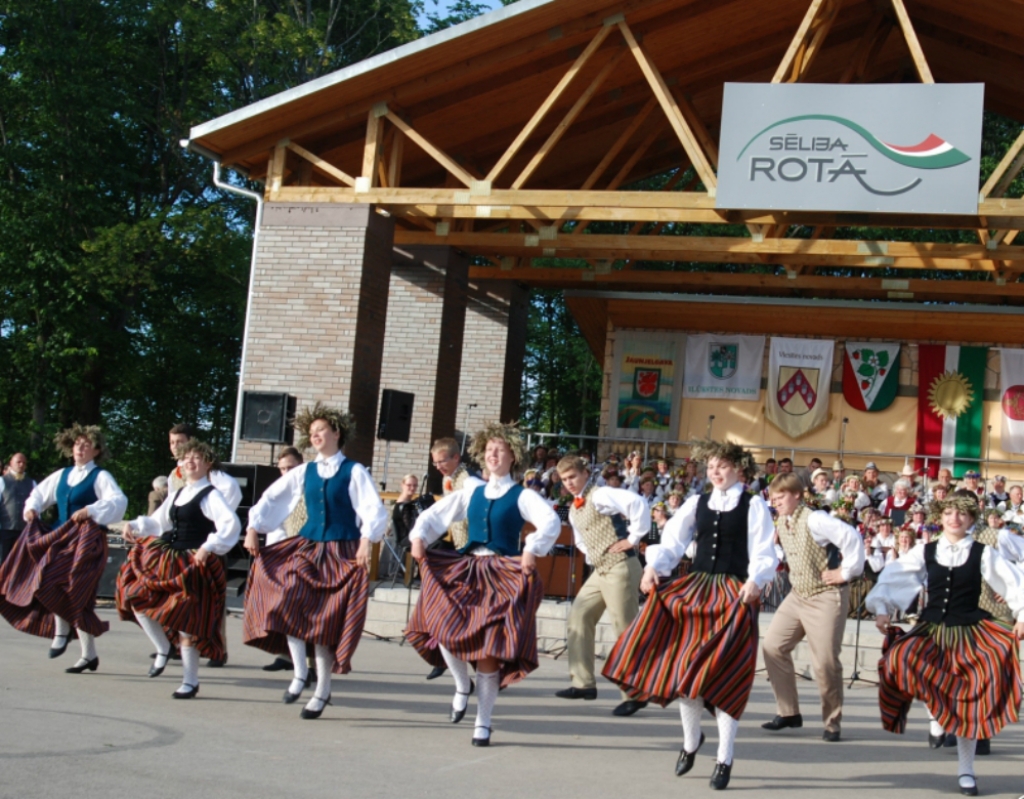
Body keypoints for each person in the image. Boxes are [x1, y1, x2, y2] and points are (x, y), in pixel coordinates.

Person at [602, 440, 777, 790]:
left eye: (723, 465)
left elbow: (763, 548)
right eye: (711, 465)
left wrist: (756, 579)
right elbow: (672, 541)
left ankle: (725, 756)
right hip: (697, 591)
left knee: (724, 675)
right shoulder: (698, 502)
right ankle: (690, 740)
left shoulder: (753, 504)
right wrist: (653, 567)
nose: (715, 471)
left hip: (733, 594)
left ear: (738, 470)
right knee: (686, 669)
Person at [405, 422, 560, 747]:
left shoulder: (522, 495)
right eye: (489, 449)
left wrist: (531, 548)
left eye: (500, 449)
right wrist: (418, 536)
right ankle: (462, 684)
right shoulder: (472, 491)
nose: (493, 454)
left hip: (502, 574)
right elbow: (436, 515)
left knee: (488, 653)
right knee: (442, 628)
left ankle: (483, 721)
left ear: (512, 456)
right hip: (468, 568)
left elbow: (550, 521)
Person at [867, 494, 1024, 797]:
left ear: (970, 519)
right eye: (949, 512)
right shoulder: (924, 551)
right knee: (899, 658)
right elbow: (894, 577)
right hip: (932, 629)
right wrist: (883, 607)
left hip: (971, 632)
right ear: (940, 516)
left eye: (961, 514)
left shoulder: (983, 552)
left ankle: (966, 769)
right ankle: (937, 716)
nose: (955, 518)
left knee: (969, 698)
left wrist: (1021, 614)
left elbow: (1013, 581)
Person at [242, 402, 388, 719]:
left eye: (321, 429)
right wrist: (254, 526)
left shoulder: (354, 471)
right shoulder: (304, 471)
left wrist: (367, 539)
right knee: (288, 603)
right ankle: (298, 673)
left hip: (340, 551)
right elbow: (273, 497)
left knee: (322, 625)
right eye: (311, 432)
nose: (315, 435)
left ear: (336, 432)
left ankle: (322, 690)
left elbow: (372, 508)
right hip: (307, 547)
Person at [117, 440, 240, 698]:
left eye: (197, 458)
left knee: (186, 623)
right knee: (136, 597)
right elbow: (156, 522)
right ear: (181, 465)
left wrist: (209, 546)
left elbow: (230, 524)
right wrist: (135, 525)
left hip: (194, 563)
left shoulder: (212, 494)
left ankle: (190, 681)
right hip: (169, 558)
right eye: (186, 458)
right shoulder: (177, 494)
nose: (190, 462)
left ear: (207, 464)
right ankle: (163, 647)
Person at [0, 425, 127, 673]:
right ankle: (75, 643)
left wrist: (91, 510)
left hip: (88, 541)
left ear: (96, 450)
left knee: (75, 589)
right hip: (62, 538)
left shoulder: (100, 476)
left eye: (86, 444)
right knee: (50, 581)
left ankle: (72, 640)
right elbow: (38, 494)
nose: (79, 448)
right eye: (77, 444)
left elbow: (118, 501)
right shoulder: (63, 474)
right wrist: (31, 508)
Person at [762, 474, 865, 742]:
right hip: (798, 595)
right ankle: (788, 712)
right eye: (773, 498)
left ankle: (832, 723)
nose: (776, 502)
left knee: (825, 662)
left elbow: (851, 537)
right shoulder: (781, 522)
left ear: (797, 495)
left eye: (781, 496)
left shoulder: (816, 519)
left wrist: (845, 572)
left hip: (826, 596)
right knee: (772, 645)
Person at [554, 455, 650, 717]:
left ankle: (635, 692)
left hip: (620, 566)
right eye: (565, 479)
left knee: (624, 627)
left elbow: (638, 502)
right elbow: (580, 540)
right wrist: (594, 555)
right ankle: (583, 683)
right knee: (579, 615)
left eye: (573, 476)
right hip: (601, 568)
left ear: (585, 474)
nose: (570, 483)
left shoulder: (600, 494)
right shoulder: (574, 508)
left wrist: (633, 538)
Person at [167, 423, 241, 668]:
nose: (176, 447)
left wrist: (212, 533)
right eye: (173, 443)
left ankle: (217, 649)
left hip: (207, 548)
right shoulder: (175, 476)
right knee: (180, 601)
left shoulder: (216, 479)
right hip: (181, 547)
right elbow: (168, 511)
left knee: (211, 603)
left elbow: (230, 499)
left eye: (181, 442)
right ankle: (178, 645)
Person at [423, 437, 484, 681]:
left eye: (442, 461)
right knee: (445, 604)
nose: (438, 466)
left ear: (456, 458)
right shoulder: (449, 479)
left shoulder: (468, 481)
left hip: (472, 552)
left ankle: (476, 668)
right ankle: (445, 654)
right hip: (457, 548)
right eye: (435, 462)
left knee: (461, 611)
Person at [261, 446, 309, 674]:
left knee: (307, 609)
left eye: (291, 467)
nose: (286, 472)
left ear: (301, 465)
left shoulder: (312, 488)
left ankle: (310, 664)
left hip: (311, 553)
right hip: (286, 554)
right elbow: (274, 525)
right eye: (282, 468)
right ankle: (286, 655)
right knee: (285, 605)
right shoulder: (280, 492)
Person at [0, 452, 35, 563]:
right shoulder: (2, 481)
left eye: (24, 463)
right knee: (3, 562)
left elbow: (37, 505)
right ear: (11, 463)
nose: (21, 465)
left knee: (20, 564)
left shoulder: (32, 483)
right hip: (5, 529)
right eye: (18, 462)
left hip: (24, 530)